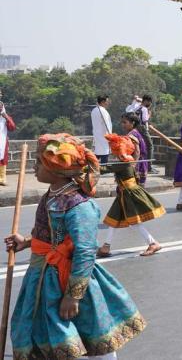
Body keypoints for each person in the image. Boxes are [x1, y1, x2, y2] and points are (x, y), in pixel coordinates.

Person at [5, 133, 145, 359]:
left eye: (39, 163)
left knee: (95, 337)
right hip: (43, 278)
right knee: (52, 337)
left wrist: (73, 296)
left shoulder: (78, 205)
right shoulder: (52, 195)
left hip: (71, 280)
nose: (34, 167)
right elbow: (55, 238)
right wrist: (27, 242)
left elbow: (85, 251)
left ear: (57, 168)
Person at [97, 133, 165, 258]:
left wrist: (88, 165)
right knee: (114, 219)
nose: (113, 152)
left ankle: (153, 243)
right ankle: (105, 247)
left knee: (135, 222)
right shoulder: (128, 161)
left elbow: (103, 169)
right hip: (124, 194)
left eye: (114, 149)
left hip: (129, 194)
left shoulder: (122, 164)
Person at [126, 94, 155, 173]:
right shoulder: (144, 109)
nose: (150, 104)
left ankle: (139, 165)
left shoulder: (137, 107)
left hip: (136, 128)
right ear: (146, 101)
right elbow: (145, 120)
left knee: (139, 147)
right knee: (149, 146)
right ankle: (149, 166)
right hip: (142, 128)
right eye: (149, 102)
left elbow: (128, 111)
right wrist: (149, 115)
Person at [90, 95, 113, 164]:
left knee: (97, 153)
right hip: (104, 136)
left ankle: (93, 169)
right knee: (104, 153)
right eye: (107, 101)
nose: (108, 103)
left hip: (96, 135)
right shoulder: (103, 111)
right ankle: (103, 170)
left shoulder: (94, 110)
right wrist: (110, 137)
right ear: (103, 102)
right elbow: (107, 125)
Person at [0, 93, 16, 186]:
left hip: (2, 142)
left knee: (2, 159)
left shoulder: (6, 118)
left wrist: (5, 116)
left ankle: (2, 179)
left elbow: (12, 127)